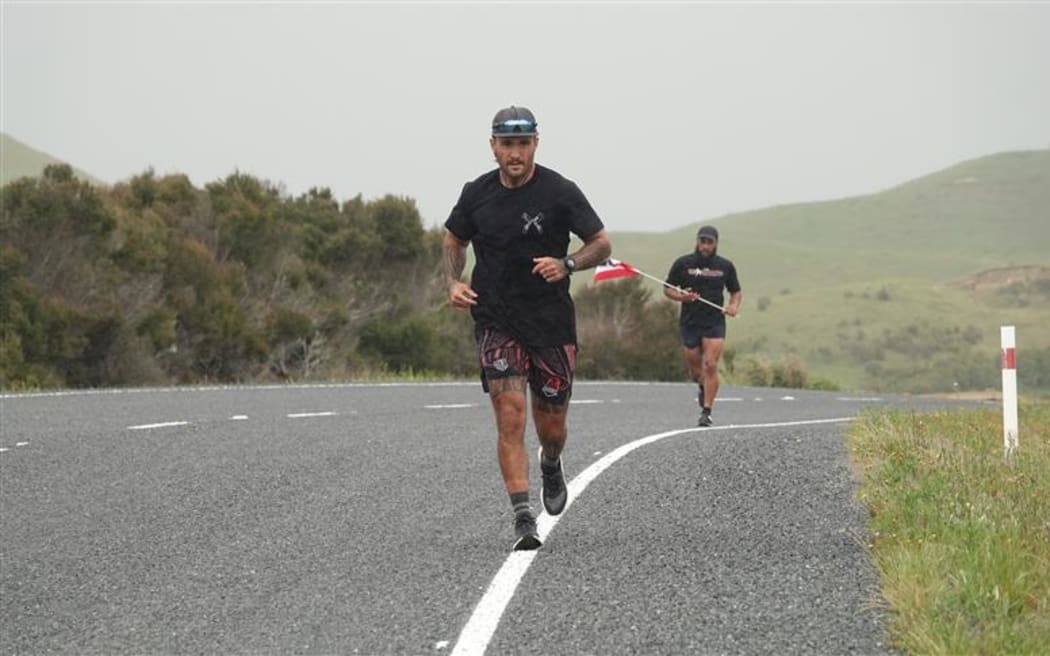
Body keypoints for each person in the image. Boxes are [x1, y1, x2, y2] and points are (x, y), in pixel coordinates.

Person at [442, 106, 611, 551]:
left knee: (551, 423)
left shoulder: (560, 191)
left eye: (522, 144)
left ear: (535, 143)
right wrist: (453, 282)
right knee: (510, 411)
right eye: (506, 144)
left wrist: (567, 263)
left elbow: (600, 243)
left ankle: (551, 462)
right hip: (496, 319)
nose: (514, 153)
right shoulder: (475, 193)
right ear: (493, 146)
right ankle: (522, 517)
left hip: (550, 322)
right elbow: (454, 239)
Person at [663, 225, 742, 427]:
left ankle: (707, 411)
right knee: (696, 371)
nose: (705, 246)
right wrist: (682, 297)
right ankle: (702, 385)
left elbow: (735, 291)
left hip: (714, 322)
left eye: (709, 242)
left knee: (711, 365)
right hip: (690, 322)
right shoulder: (683, 264)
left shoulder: (725, 266)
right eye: (702, 241)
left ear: (716, 244)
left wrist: (733, 306)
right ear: (697, 242)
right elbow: (668, 289)